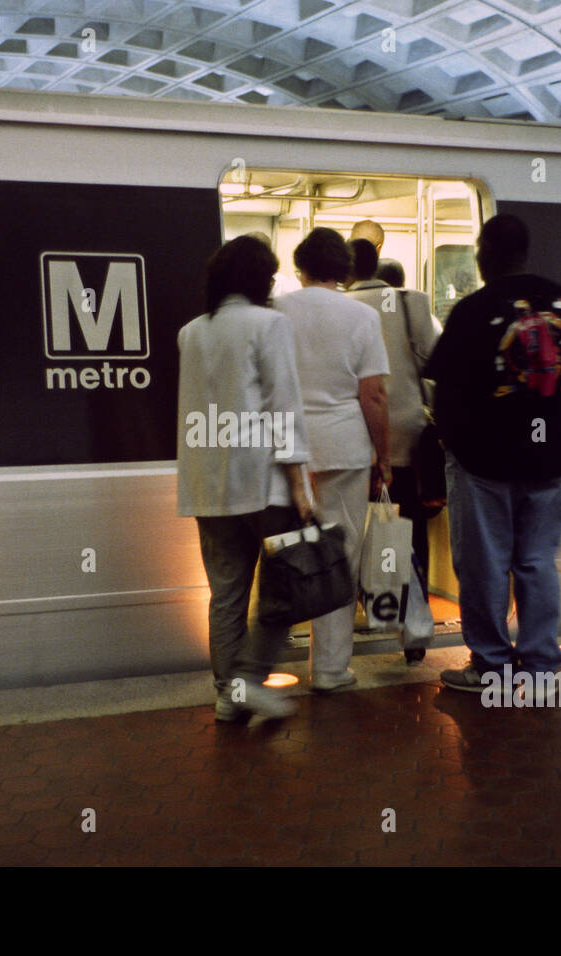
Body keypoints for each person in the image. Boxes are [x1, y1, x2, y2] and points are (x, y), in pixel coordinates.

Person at [425, 214, 561, 697]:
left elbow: (446, 391)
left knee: (484, 565)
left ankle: (492, 666)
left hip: (484, 463)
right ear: (525, 251)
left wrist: (453, 445)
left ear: (485, 253)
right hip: (548, 462)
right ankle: (542, 667)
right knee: (537, 561)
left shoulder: (474, 309)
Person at [178, 235, 315, 722]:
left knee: (227, 593)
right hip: (263, 482)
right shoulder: (270, 324)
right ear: (260, 280)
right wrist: (300, 484)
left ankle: (226, 695)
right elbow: (285, 405)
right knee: (281, 593)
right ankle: (248, 682)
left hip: (207, 483)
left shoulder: (192, 332)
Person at [275, 227, 390, 692]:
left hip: (290, 450)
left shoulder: (275, 313)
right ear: (343, 270)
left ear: (299, 266)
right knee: (340, 554)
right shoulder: (361, 316)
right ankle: (329, 669)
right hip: (345, 447)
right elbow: (375, 395)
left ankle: (272, 646)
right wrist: (385, 456)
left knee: (290, 551)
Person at [345, 238, 443, 648]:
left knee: (354, 530)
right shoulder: (410, 303)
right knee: (407, 529)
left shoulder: (339, 307)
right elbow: (436, 365)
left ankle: (355, 615)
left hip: (352, 437)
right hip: (405, 438)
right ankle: (413, 630)